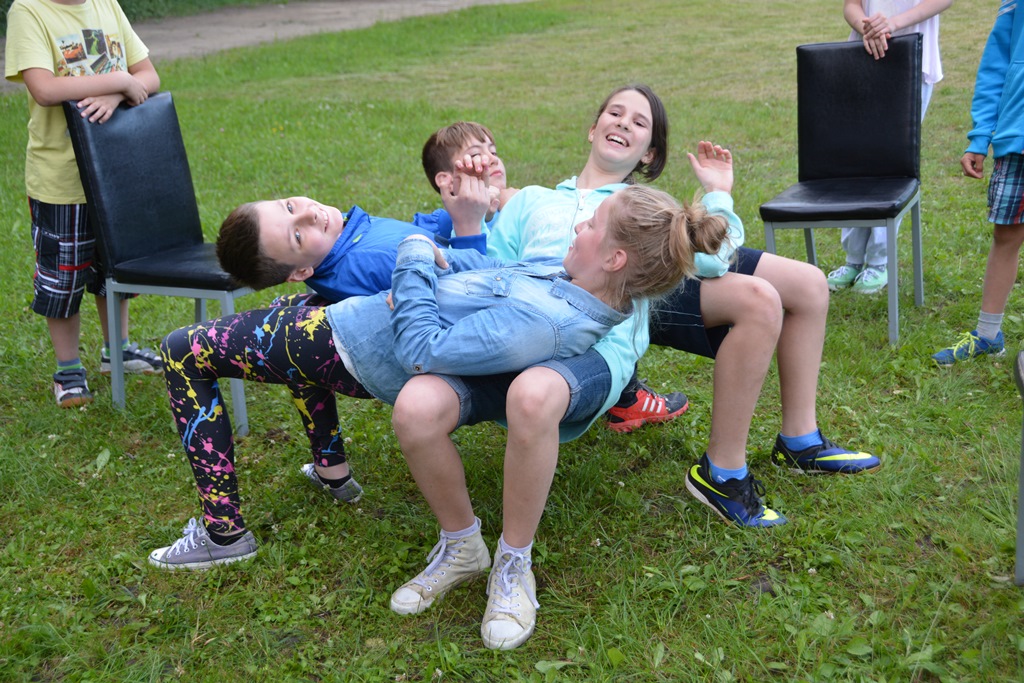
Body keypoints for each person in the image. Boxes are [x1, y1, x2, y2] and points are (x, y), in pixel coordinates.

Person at [390, 83, 881, 647]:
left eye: (640, 122)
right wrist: (471, 216)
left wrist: (718, 195)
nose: (623, 122)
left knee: (770, 294)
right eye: (614, 112)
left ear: (650, 153)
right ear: (592, 127)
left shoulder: (644, 210)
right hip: (527, 319)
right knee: (421, 403)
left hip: (609, 326)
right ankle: (464, 544)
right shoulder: (532, 201)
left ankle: (743, 463)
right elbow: (486, 274)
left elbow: (714, 255)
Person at [147, 182, 725, 573]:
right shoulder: (571, 280)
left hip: (353, 342)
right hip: (353, 326)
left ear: (616, 259)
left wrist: (415, 255)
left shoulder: (549, 318)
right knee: (288, 321)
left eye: (591, 223)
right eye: (290, 211)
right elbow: (494, 272)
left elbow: (425, 346)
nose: (578, 225)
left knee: (182, 351)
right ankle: (331, 472)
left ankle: (223, 533)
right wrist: (428, 257)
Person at [5, 0, 163, 408]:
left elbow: (149, 75)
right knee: (63, 277)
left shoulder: (106, 4)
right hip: (61, 180)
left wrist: (114, 92)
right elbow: (44, 89)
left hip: (115, 172)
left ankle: (118, 352)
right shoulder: (29, 11)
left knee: (115, 269)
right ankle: (68, 370)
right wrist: (119, 80)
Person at [826, 0, 953, 294]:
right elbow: (852, 5)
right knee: (856, 160)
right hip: (864, 53)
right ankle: (853, 259)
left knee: (890, 162)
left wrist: (892, 24)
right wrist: (868, 27)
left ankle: (879, 262)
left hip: (911, 56)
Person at [931, 0, 1020, 365]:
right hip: (1018, 135)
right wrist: (980, 136)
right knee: (1006, 235)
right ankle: (988, 335)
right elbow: (995, 67)